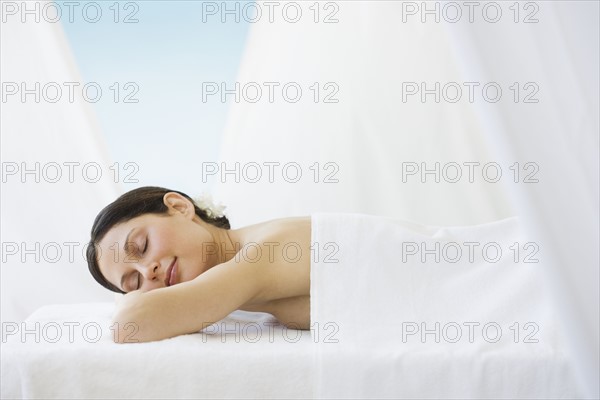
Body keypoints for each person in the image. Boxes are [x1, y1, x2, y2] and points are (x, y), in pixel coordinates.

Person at [87, 186, 311, 343]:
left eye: (142, 245)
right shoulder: (236, 293)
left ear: (179, 207)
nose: (148, 271)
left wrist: (130, 299)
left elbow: (129, 324)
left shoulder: (268, 249)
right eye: (135, 282)